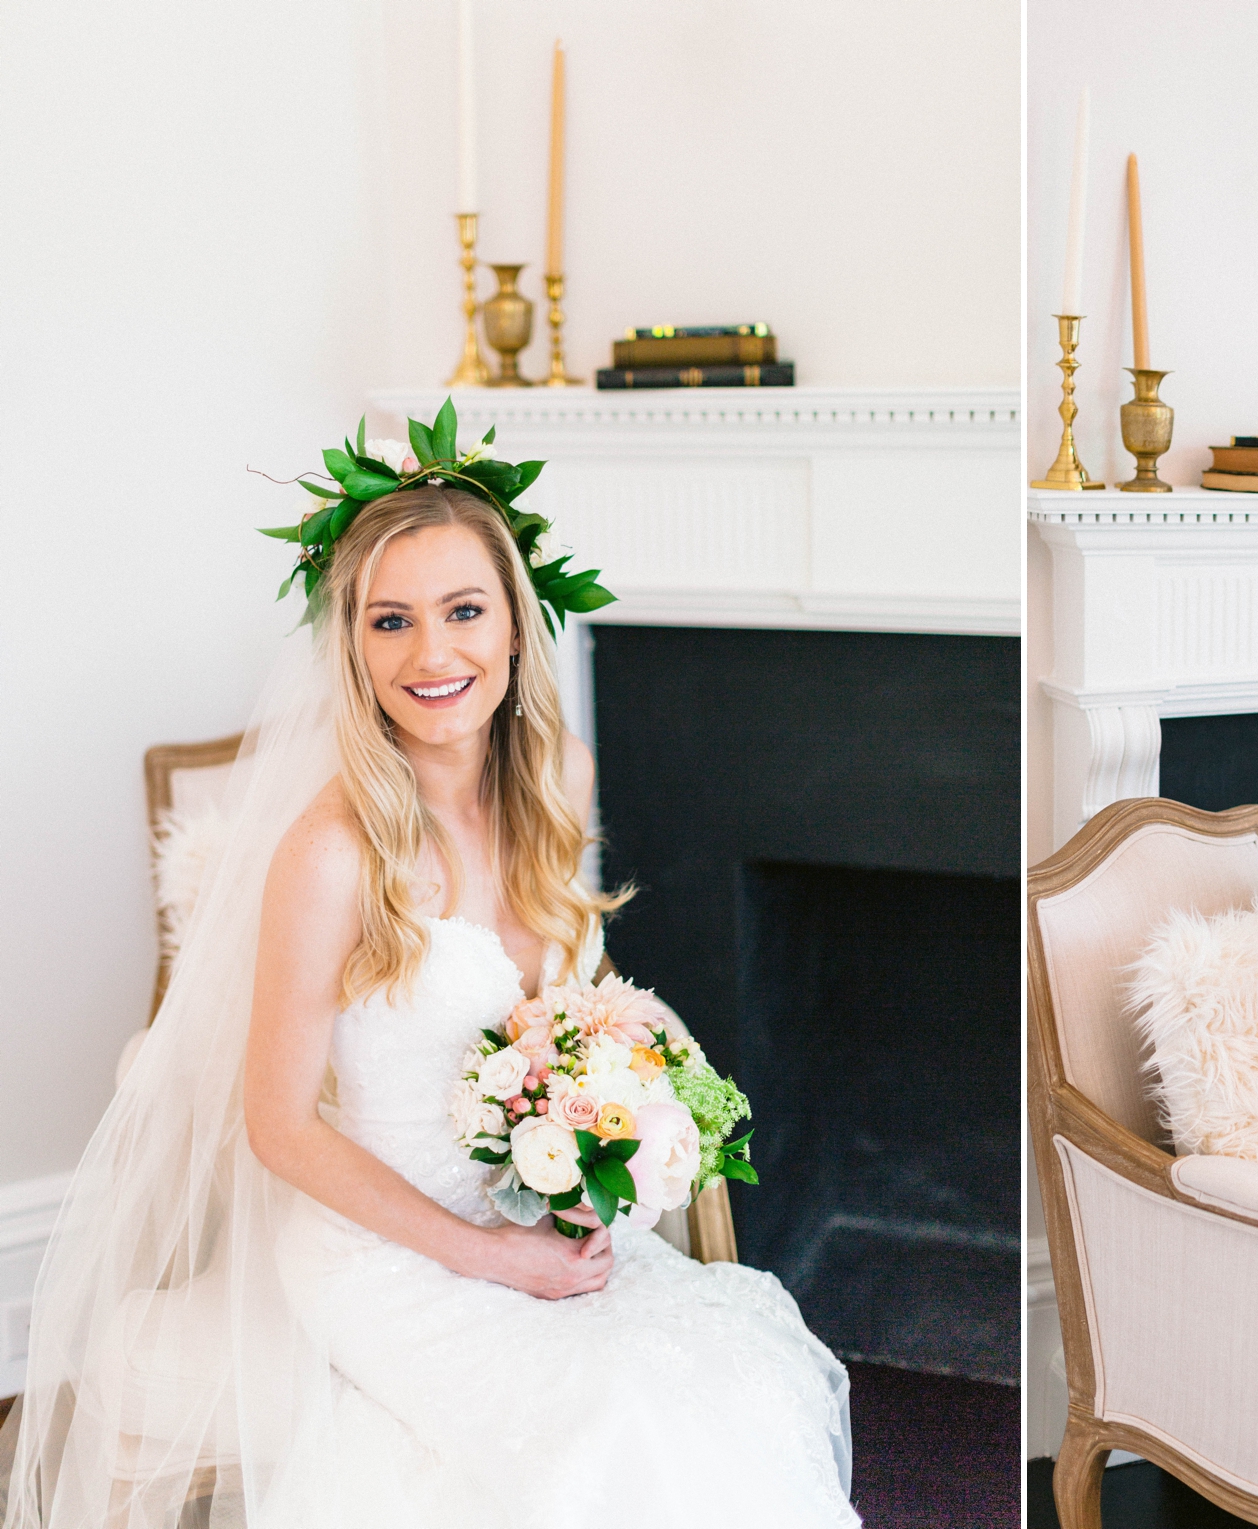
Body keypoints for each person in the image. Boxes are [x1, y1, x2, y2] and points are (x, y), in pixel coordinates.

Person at [2, 410, 858, 1528]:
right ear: (350, 643)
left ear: (514, 626)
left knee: (731, 1385)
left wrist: (593, 1164)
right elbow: (279, 1124)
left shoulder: (555, 775)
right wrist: (489, 1256)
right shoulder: (330, 853)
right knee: (602, 1436)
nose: (431, 654)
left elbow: (565, 1020)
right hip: (387, 1247)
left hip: (531, 1220)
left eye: (463, 611)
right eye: (390, 621)